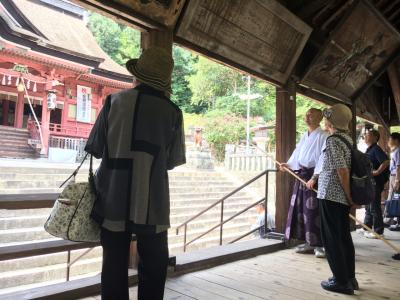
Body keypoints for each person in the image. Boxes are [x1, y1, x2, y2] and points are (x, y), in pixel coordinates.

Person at [84, 47, 186, 300]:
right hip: (153, 200)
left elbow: (95, 149)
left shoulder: (112, 102)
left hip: (113, 197)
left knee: (113, 264)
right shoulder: (173, 113)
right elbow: (172, 161)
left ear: (137, 76)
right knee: (154, 262)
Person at [308, 104, 358, 295]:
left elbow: (342, 171)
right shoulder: (347, 139)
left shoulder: (333, 141)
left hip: (331, 195)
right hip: (340, 198)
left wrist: (348, 195)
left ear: (331, 121)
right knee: (344, 237)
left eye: (326, 117)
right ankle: (349, 278)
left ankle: (341, 281)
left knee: (332, 239)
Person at [281, 108, 328, 258]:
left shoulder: (324, 135)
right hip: (302, 176)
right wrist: (288, 164)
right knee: (302, 210)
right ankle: (309, 242)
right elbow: (298, 152)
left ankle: (319, 245)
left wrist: (315, 177)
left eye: (311, 115)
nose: (307, 117)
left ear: (319, 118)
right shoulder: (304, 135)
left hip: (314, 177)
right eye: (306, 114)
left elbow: (323, 158)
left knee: (314, 211)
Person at [358, 129, 389, 238]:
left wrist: (377, 172)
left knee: (374, 206)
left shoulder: (376, 148)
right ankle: (366, 227)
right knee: (368, 205)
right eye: (365, 135)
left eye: (368, 135)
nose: (366, 137)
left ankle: (378, 232)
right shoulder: (369, 149)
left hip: (375, 182)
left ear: (375, 138)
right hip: (369, 182)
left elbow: (385, 161)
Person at [385, 132, 400, 231]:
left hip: (396, 177)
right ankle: (395, 220)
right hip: (393, 176)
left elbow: (399, 167)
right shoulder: (395, 151)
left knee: (397, 198)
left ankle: (397, 222)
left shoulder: (398, 151)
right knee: (396, 198)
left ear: (396, 140)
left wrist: (397, 181)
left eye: (390, 139)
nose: (388, 141)